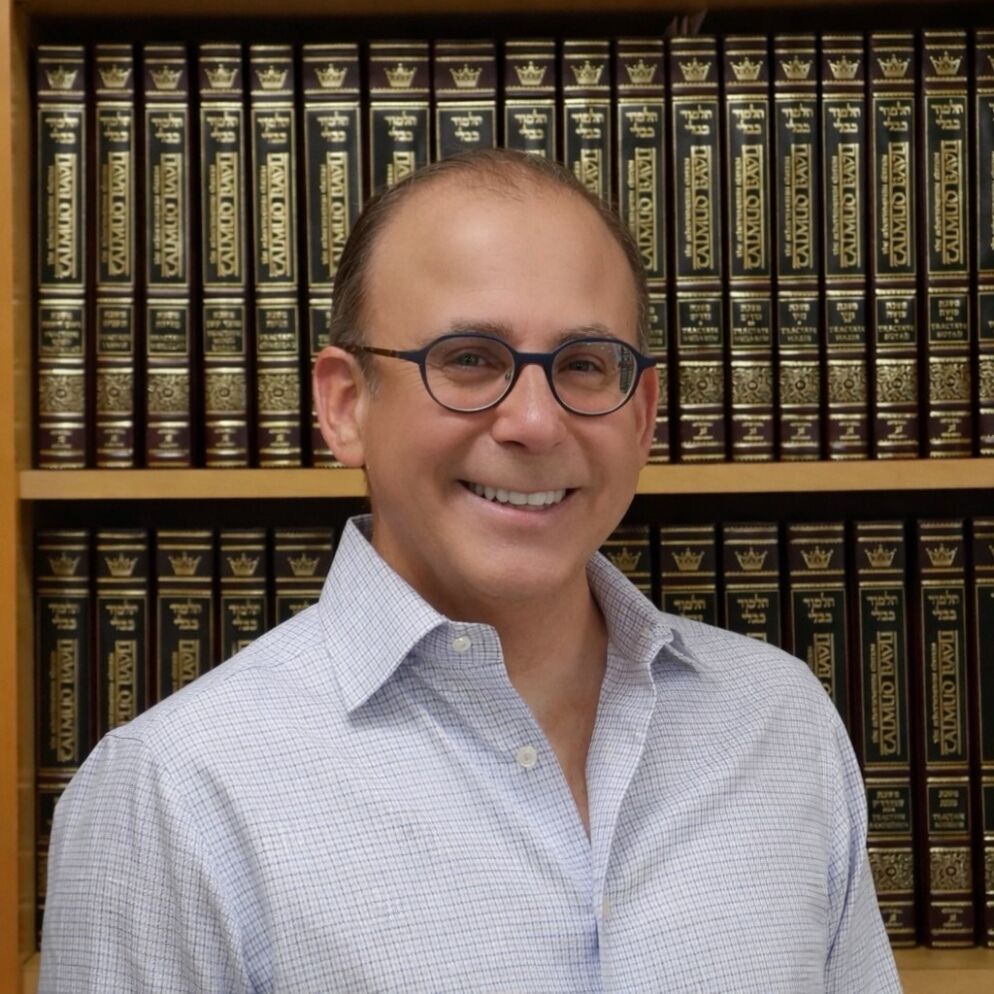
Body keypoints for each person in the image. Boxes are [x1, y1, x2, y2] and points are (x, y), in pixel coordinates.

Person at [40, 148, 901, 993]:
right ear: (345, 406)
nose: (535, 422)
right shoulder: (174, 795)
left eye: (583, 365)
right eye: (469, 358)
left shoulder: (780, 724)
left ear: (642, 418)